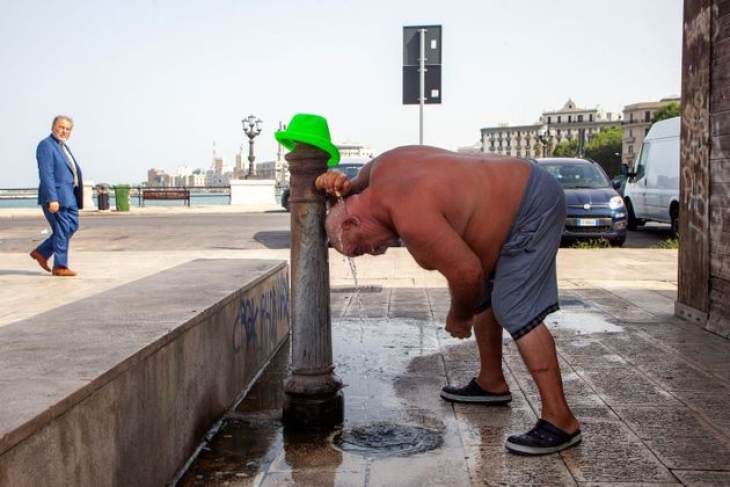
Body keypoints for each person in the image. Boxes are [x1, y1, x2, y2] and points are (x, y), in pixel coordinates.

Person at [316, 145, 580, 455]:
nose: (376, 252)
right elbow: (348, 189)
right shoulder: (379, 169)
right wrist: (332, 182)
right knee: (487, 293)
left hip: (532, 203)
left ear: (351, 224)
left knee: (514, 308)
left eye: (361, 249)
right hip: (518, 186)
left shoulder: (412, 219)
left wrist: (460, 316)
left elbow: (467, 275)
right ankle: (491, 382)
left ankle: (560, 420)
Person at [29, 115, 83, 277]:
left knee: (71, 227)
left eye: (67, 129)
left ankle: (42, 252)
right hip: (56, 197)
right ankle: (60, 266)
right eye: (61, 127)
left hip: (70, 196)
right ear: (53, 127)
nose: (64, 131)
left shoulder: (63, 147)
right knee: (62, 229)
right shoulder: (46, 145)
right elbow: (47, 174)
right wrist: (52, 198)